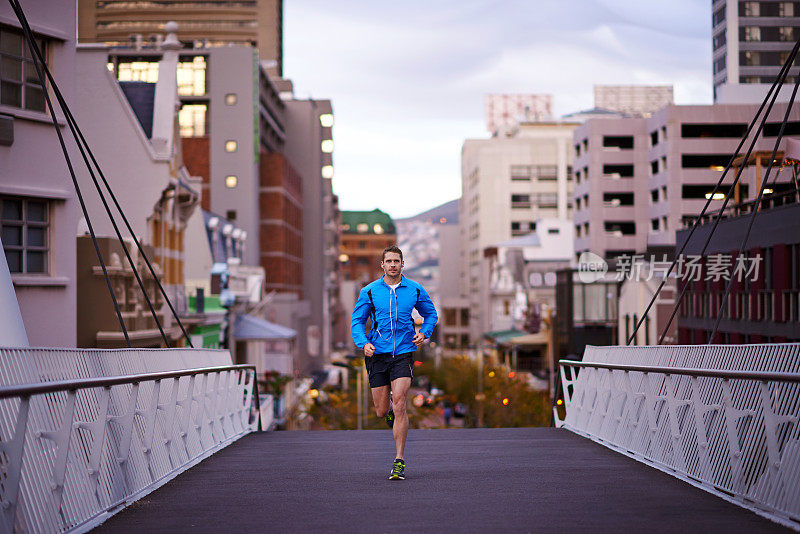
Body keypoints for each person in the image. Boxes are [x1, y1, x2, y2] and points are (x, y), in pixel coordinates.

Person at [351, 245, 438, 480]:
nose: (392, 265)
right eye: (388, 261)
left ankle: (399, 460)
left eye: (396, 261)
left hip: (404, 351)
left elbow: (431, 314)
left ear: (402, 264)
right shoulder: (369, 291)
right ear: (382, 265)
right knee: (381, 411)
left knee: (400, 403)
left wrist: (424, 332)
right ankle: (388, 409)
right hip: (377, 354)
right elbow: (357, 321)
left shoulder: (415, 290)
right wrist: (363, 342)